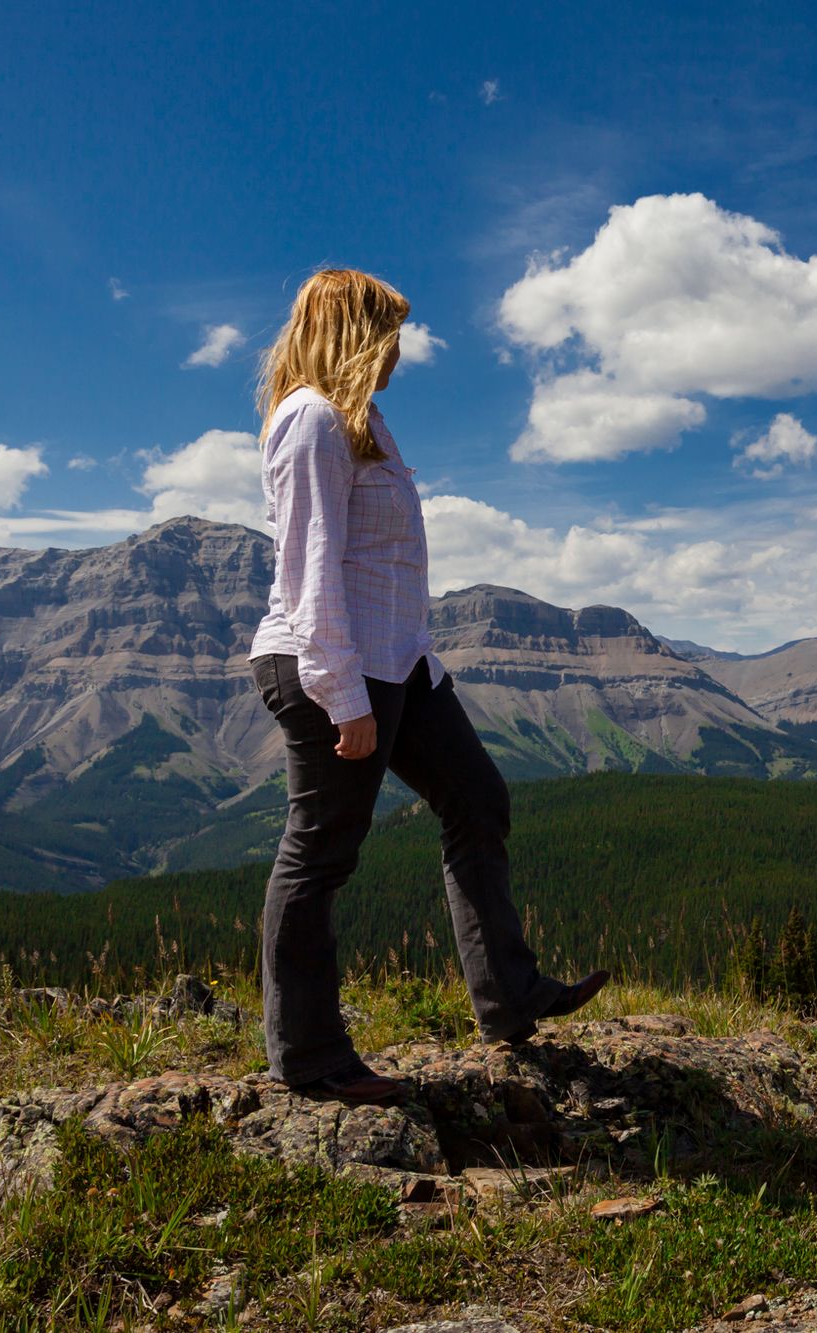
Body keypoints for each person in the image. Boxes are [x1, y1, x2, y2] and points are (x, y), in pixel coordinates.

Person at [247, 268, 607, 1105]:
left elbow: (381, 567)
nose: (400, 352)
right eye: (390, 333)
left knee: (476, 795)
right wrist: (343, 697)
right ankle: (308, 1057)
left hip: (398, 662)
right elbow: (309, 574)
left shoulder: (362, 423)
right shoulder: (310, 422)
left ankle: (510, 996)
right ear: (356, 332)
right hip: (334, 666)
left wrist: (407, 666)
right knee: (321, 851)